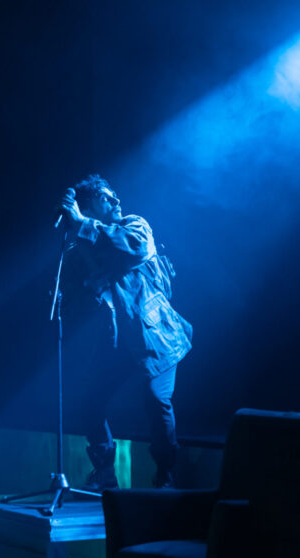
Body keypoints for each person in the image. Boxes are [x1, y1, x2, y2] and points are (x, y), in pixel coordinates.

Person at [57, 174, 193, 489]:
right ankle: (105, 473)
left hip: (156, 335)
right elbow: (75, 290)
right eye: (106, 197)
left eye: (114, 195)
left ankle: (166, 475)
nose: (116, 200)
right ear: (89, 205)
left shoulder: (135, 226)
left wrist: (81, 223)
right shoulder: (84, 245)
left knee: (156, 399)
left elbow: (130, 248)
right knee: (90, 399)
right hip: (118, 339)